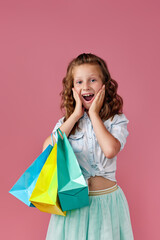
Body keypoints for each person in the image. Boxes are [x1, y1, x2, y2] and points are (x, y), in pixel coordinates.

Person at [43, 53, 134, 239]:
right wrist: (76, 116)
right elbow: (47, 150)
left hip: (107, 203)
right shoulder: (66, 123)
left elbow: (110, 150)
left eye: (92, 80)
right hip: (74, 204)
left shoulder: (115, 121)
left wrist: (93, 115)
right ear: (72, 88)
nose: (85, 86)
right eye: (79, 82)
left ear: (104, 85)